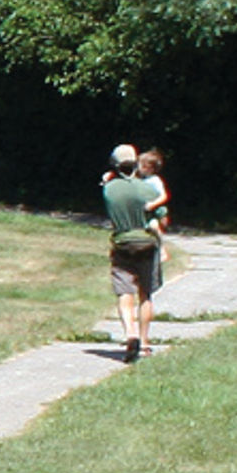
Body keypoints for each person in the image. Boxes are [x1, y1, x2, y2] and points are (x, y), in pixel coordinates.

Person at [100, 144, 169, 356]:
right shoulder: (148, 189)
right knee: (145, 294)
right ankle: (145, 341)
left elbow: (108, 187)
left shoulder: (109, 189)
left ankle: (130, 333)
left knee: (124, 292)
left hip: (122, 242)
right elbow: (163, 216)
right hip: (146, 243)